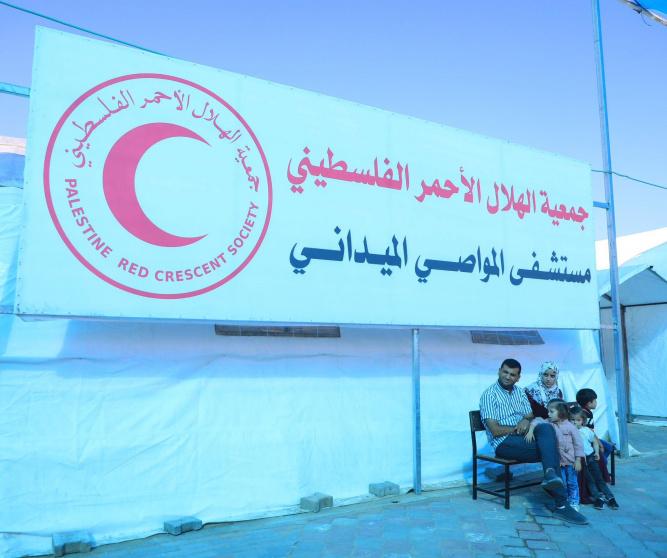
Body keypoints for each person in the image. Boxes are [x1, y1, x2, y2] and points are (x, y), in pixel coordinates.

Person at [479, 358, 588, 525]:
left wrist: (525, 421)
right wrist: (517, 427)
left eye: (512, 374)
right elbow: (495, 430)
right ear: (499, 371)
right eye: (505, 372)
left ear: (518, 377)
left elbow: (529, 415)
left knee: (546, 428)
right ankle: (561, 503)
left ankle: (550, 474)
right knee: (552, 447)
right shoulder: (489, 395)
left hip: (524, 438)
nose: (508, 377)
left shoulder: (520, 392)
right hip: (504, 442)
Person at [525, 399, 585, 511]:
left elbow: (578, 445)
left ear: (561, 412)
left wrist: (578, 460)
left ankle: (574, 501)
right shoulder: (550, 423)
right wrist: (531, 430)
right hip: (559, 462)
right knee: (561, 483)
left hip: (571, 462)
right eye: (548, 411)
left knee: (572, 482)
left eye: (551, 412)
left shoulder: (571, 427)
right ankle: (564, 500)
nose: (548, 414)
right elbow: (537, 420)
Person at [570, 405, 620, 510]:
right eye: (572, 420)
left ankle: (610, 498)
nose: (575, 422)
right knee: (590, 480)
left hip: (591, 457)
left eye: (578, 420)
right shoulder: (569, 432)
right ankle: (598, 498)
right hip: (581, 459)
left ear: (583, 421)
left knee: (599, 478)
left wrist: (597, 452)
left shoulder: (586, 430)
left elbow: (595, 442)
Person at [575, 388, 614, 483]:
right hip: (587, 440)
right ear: (589, 403)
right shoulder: (585, 414)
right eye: (595, 400)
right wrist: (599, 443)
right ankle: (598, 469)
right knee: (605, 451)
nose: (596, 402)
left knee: (608, 447)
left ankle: (598, 465)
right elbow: (589, 432)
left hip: (590, 437)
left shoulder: (586, 411)